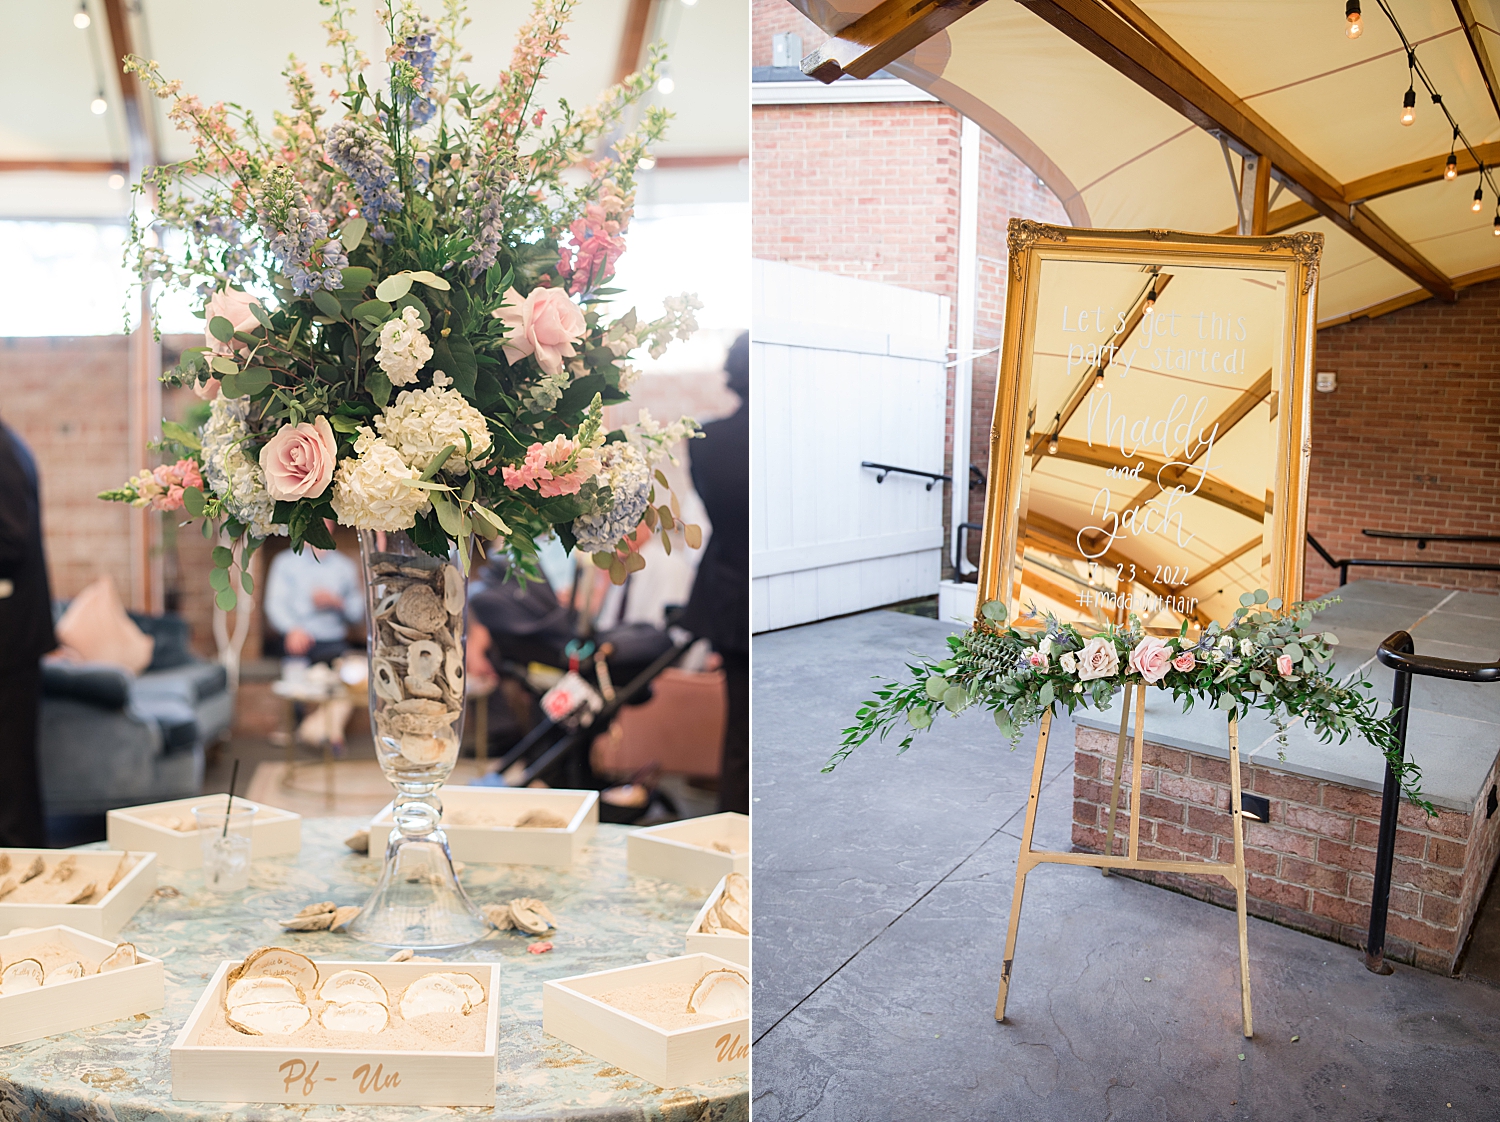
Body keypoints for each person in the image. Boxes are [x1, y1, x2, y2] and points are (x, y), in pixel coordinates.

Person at [679, 332, 749, 814]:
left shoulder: (705, 441)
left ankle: (734, 825)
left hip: (728, 593)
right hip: (750, 590)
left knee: (740, 732)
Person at [0, 419, 55, 846]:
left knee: (12, 766)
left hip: (10, 633)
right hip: (17, 627)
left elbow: (11, 539)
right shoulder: (10, 442)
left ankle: (19, 870)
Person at [263, 529, 364, 748]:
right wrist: (292, 629)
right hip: (299, 638)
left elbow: (358, 613)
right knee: (295, 659)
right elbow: (274, 605)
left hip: (333, 640)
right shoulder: (285, 563)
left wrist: (338, 603)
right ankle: (308, 726)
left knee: (352, 674)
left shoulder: (344, 566)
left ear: (332, 523)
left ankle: (314, 730)